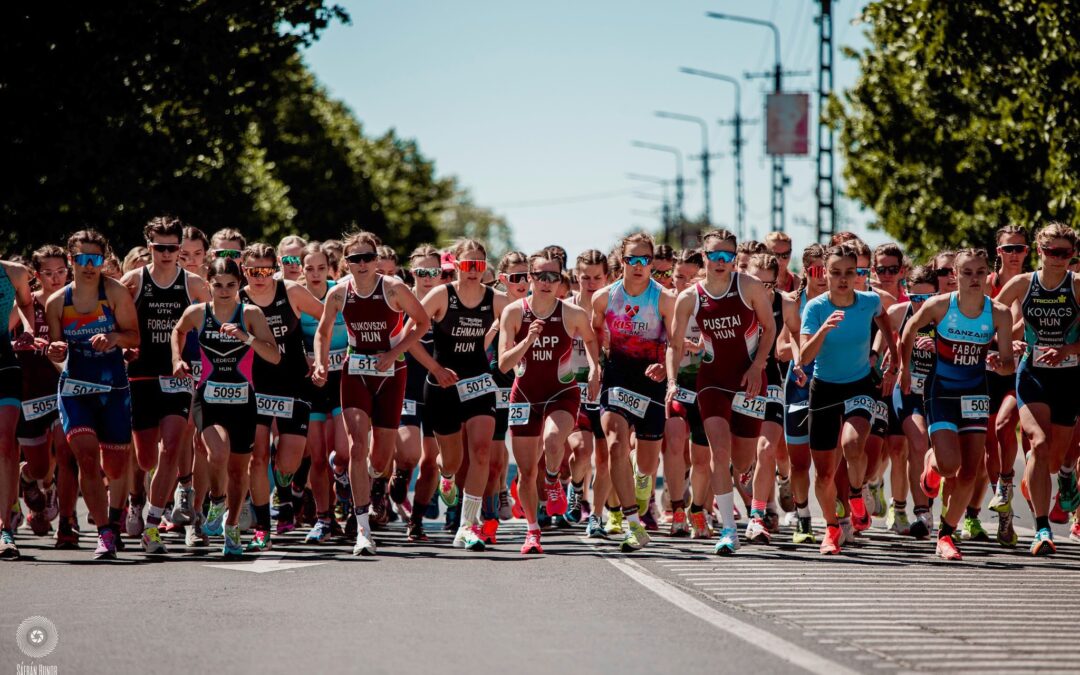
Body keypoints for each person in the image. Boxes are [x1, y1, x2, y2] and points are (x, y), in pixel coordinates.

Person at [312, 231, 429, 556]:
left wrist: (394, 353)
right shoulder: (339, 293)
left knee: (380, 458)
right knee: (358, 445)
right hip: (355, 372)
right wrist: (321, 364)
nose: (361, 264)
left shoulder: (393, 288)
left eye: (367, 257)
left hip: (392, 374)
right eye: (354, 259)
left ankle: (367, 478)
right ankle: (363, 529)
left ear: (376, 260)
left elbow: (421, 322)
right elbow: (322, 332)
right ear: (345, 263)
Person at [900, 249, 1014, 560]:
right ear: (955, 277)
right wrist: (904, 369)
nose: (974, 278)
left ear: (988, 275)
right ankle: (932, 465)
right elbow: (909, 330)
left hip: (976, 392)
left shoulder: (1000, 313)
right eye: (967, 273)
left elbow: (1006, 364)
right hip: (943, 391)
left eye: (980, 272)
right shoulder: (939, 306)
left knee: (970, 470)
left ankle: (946, 534)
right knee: (949, 465)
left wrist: (1001, 363)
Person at [667, 230, 776, 555]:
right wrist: (672, 382)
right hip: (712, 380)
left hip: (750, 379)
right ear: (704, 256)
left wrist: (757, 367)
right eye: (715, 255)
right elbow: (674, 344)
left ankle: (738, 482)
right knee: (719, 451)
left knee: (742, 460)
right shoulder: (690, 297)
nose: (721, 262)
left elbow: (769, 328)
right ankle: (729, 530)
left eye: (728, 256)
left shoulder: (749, 286)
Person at [171, 257, 280, 557]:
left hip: (243, 399)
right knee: (215, 453)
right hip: (207, 396)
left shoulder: (251, 313)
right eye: (217, 285)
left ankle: (231, 528)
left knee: (238, 470)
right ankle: (216, 501)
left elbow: (274, 356)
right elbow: (177, 331)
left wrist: (246, 337)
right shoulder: (198, 312)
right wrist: (176, 359)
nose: (223, 290)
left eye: (230, 285)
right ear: (208, 284)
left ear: (240, 285)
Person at [498, 250, 600, 554]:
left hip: (562, 392)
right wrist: (527, 341)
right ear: (529, 277)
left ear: (560, 280)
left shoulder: (572, 314)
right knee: (527, 472)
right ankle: (532, 531)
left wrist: (595, 368)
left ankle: (554, 479)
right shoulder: (514, 312)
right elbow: (504, 364)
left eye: (552, 276)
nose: (545, 282)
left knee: (554, 439)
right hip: (525, 395)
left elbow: (591, 340)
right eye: (539, 276)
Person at [45, 230, 140, 560]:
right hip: (75, 389)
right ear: (71, 260)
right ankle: (103, 533)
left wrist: (113, 337)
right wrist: (56, 352)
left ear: (102, 261)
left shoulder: (114, 292)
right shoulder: (57, 302)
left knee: (115, 466)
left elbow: (133, 336)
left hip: (113, 387)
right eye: (82, 259)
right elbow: (58, 353)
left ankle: (114, 519)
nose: (88, 265)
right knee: (86, 456)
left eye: (95, 259)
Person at [799, 243, 898, 555]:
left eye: (850, 273)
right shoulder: (815, 308)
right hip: (824, 388)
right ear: (825, 274)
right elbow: (803, 356)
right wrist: (823, 330)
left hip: (858, 386)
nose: (843, 279)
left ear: (858, 274)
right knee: (825, 474)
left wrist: (892, 356)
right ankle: (830, 528)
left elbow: (884, 319)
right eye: (836, 272)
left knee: (853, 444)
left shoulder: (868, 301)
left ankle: (857, 492)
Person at [121, 216, 209, 553]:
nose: (168, 253)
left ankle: (153, 524)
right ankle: (138, 497)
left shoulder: (194, 285)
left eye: (174, 248)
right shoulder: (132, 281)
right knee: (145, 459)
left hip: (177, 375)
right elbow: (114, 318)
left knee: (172, 445)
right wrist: (122, 344)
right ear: (149, 246)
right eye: (161, 248)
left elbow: (214, 323)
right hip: (141, 375)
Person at [994, 222, 1080, 555]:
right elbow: (992, 317)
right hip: (1032, 376)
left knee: (1053, 459)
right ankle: (1042, 528)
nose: (1057, 258)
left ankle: (1066, 473)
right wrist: (1007, 345)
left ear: (1072, 255)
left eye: (1065, 253)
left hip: (1070, 379)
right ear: (1039, 251)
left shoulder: (1076, 286)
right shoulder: (1021, 284)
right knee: (1038, 444)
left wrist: (1069, 351)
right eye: (1050, 251)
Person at [239, 243, 324, 551]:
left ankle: (283, 485)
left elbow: (325, 319)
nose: (259, 277)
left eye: (265, 271)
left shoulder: (291, 291)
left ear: (274, 269)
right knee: (257, 457)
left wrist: (319, 355)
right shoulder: (238, 298)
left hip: (293, 382)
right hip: (255, 384)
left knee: (288, 461)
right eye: (252, 271)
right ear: (243, 271)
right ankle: (263, 526)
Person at [593, 232, 675, 552]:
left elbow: (676, 344)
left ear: (651, 263)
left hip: (650, 381)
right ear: (622, 261)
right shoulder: (604, 298)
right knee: (615, 444)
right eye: (632, 259)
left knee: (645, 466)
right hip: (617, 379)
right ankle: (632, 524)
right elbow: (593, 338)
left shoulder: (665, 298)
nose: (639, 266)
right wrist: (595, 366)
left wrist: (666, 369)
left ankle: (643, 485)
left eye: (645, 260)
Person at [15, 246, 68, 541]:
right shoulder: (26, 304)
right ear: (36, 276)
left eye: (61, 271)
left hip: (64, 389)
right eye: (48, 273)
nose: (55, 278)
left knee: (64, 445)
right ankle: (28, 478)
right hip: (31, 391)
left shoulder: (75, 300)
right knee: (38, 464)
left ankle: (60, 506)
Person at [777, 244, 829, 544]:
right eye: (816, 270)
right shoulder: (794, 303)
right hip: (799, 387)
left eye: (827, 270)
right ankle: (804, 517)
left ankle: (838, 516)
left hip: (833, 384)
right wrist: (800, 352)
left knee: (834, 457)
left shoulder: (841, 301)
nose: (822, 277)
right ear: (806, 270)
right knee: (799, 461)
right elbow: (780, 349)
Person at [298, 242, 350, 544]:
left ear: (330, 269)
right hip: (313, 381)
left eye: (321, 268)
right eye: (309, 268)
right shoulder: (295, 295)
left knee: (342, 452)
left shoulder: (339, 292)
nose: (315, 274)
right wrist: (308, 359)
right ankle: (323, 518)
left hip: (342, 378)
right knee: (317, 456)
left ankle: (343, 481)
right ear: (302, 270)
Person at [883, 266, 938, 538]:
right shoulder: (898, 313)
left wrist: (939, 348)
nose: (920, 305)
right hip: (908, 389)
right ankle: (921, 513)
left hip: (940, 391)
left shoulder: (946, 317)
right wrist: (887, 356)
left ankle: (933, 503)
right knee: (916, 444)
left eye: (927, 299)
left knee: (941, 454)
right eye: (915, 298)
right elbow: (879, 334)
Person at [398, 245, 448, 543]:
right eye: (421, 272)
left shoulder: (447, 301)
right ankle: (395, 482)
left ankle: (416, 521)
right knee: (408, 453)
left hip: (438, 389)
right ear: (412, 272)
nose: (428, 278)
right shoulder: (399, 299)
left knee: (431, 461)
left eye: (434, 272)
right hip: (406, 385)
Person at [984, 225, 1028, 547]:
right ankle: (1005, 514)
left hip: (1022, 372)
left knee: (1005, 428)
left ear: (1028, 252)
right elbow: (981, 327)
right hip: (989, 372)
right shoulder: (987, 284)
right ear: (998, 252)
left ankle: (1010, 484)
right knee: (989, 444)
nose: (1014, 254)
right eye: (1008, 248)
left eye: (1020, 248)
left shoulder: (1035, 284)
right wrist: (1006, 340)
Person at [660, 249, 705, 538]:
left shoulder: (711, 304)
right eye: (680, 277)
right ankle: (677, 508)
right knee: (675, 442)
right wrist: (670, 378)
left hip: (708, 384)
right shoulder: (665, 303)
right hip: (678, 384)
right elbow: (663, 344)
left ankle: (701, 509)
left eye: (693, 278)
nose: (685, 283)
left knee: (702, 457)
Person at [0, 257, 34, 559]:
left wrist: (28, 328)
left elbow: (26, 304)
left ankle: (5, 529)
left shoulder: (14, 272)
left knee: (7, 442)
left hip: (4, 363)